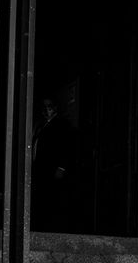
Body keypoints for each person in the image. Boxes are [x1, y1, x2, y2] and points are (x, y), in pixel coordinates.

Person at [31, 97, 77, 232]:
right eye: (44, 107)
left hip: (53, 169)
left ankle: (52, 228)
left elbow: (67, 147)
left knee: (53, 199)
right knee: (43, 198)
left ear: (55, 107)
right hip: (42, 169)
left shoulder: (62, 124)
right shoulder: (41, 126)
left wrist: (62, 167)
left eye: (49, 106)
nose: (46, 110)